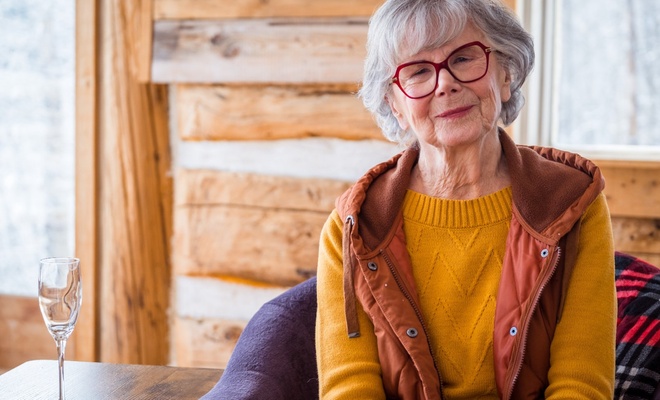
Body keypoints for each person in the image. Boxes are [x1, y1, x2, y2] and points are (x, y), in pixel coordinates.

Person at [314, 0, 616, 399]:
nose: (445, 83)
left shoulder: (572, 204)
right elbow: (349, 388)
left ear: (505, 75)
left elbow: (581, 385)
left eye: (465, 58)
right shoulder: (353, 226)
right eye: (418, 71)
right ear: (395, 105)